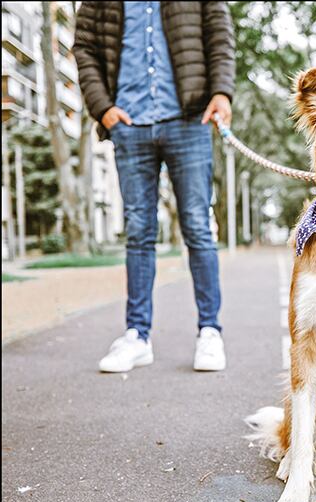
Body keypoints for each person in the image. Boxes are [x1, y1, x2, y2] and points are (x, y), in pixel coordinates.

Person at [73, 2, 235, 373]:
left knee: (197, 227)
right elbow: (84, 47)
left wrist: (221, 92)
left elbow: (220, 35)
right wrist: (103, 109)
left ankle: (210, 331)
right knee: (139, 232)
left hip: (189, 119)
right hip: (129, 123)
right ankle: (137, 335)